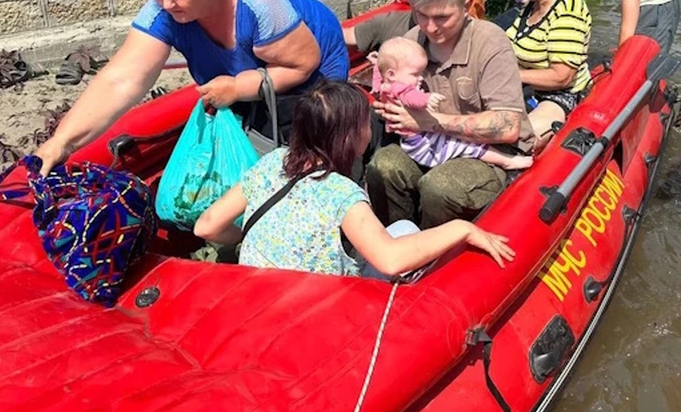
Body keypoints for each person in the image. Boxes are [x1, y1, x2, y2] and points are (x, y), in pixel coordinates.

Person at [34, 0, 349, 175]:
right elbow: (122, 79)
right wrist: (61, 142)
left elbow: (303, 65)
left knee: (302, 155)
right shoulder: (165, 10)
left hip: (313, 71)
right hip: (247, 72)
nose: (166, 3)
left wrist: (238, 87)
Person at [193, 81, 515, 278]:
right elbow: (390, 259)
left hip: (259, 289)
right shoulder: (341, 194)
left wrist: (255, 242)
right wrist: (461, 228)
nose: (369, 129)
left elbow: (206, 226)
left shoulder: (273, 160)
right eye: (365, 123)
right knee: (404, 230)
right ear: (349, 138)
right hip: (317, 308)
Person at [365, 0, 536, 229]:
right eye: (422, 15)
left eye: (442, 17)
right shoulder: (411, 42)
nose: (430, 28)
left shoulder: (491, 43)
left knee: (440, 187)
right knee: (382, 167)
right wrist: (388, 108)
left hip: (491, 153)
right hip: (429, 145)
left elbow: (509, 127)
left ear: (467, 8)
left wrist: (429, 122)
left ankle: (439, 257)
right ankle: (399, 245)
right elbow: (387, 91)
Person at [372, 37, 533, 170]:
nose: (421, 78)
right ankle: (505, 161)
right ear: (392, 74)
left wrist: (377, 66)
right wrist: (426, 99)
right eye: (415, 74)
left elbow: (380, 76)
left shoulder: (385, 85)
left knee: (462, 141)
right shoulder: (402, 89)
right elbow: (411, 98)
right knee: (468, 146)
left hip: (413, 141)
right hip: (424, 146)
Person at [503, 0, 593, 137]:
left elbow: (562, 77)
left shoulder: (567, 13)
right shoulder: (531, 5)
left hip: (559, 95)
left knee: (521, 137)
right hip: (525, 85)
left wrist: (512, 76)